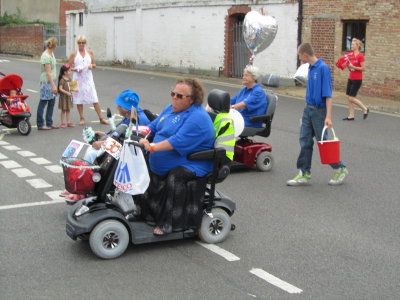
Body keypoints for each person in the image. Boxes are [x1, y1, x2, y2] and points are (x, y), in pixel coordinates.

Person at [139, 78, 214, 236]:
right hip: (170, 159)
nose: (174, 98)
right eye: (173, 94)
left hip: (194, 162)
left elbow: (177, 141)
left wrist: (152, 147)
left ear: (192, 99)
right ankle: (148, 214)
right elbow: (152, 127)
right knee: (142, 164)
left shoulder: (197, 117)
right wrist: (136, 131)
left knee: (175, 176)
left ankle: (169, 223)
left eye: (180, 96)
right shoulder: (170, 109)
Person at [62, 89, 151, 202]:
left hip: (128, 153)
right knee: (91, 149)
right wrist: (104, 135)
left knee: (92, 153)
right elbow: (117, 133)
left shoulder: (139, 119)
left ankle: (84, 189)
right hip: (119, 148)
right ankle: (82, 185)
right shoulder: (128, 116)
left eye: (119, 105)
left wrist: (103, 143)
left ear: (125, 107)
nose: (117, 108)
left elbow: (130, 139)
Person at [287, 43, 348, 186]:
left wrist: (328, 117)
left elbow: (328, 94)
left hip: (319, 112)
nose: (300, 58)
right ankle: (304, 173)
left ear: (305, 54)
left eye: (300, 56)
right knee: (305, 141)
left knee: (324, 144)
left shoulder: (323, 68)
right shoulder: (310, 67)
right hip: (308, 109)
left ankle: (340, 168)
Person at [68, 35, 108, 126]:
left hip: (88, 78)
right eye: (79, 43)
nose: (81, 44)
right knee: (78, 99)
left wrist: (91, 66)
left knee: (94, 98)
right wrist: (76, 69)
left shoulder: (89, 52)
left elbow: (94, 64)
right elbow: (67, 67)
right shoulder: (74, 54)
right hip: (77, 78)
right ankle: (81, 118)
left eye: (83, 43)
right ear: (77, 44)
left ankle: (101, 118)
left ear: (85, 43)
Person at [343, 38, 369, 120]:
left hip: (357, 79)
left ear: (357, 46)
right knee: (348, 97)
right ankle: (351, 115)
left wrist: (353, 66)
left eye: (353, 44)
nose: (351, 45)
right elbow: (351, 68)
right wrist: (349, 67)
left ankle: (365, 108)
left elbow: (363, 68)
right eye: (351, 44)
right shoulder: (350, 55)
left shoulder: (360, 56)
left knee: (351, 97)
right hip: (350, 77)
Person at [37, 37, 59, 130]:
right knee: (43, 102)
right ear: (54, 45)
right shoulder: (45, 56)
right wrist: (53, 86)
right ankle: (40, 124)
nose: (57, 46)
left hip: (51, 81)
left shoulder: (51, 54)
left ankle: (49, 122)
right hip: (46, 82)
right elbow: (48, 72)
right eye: (56, 44)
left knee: (51, 102)